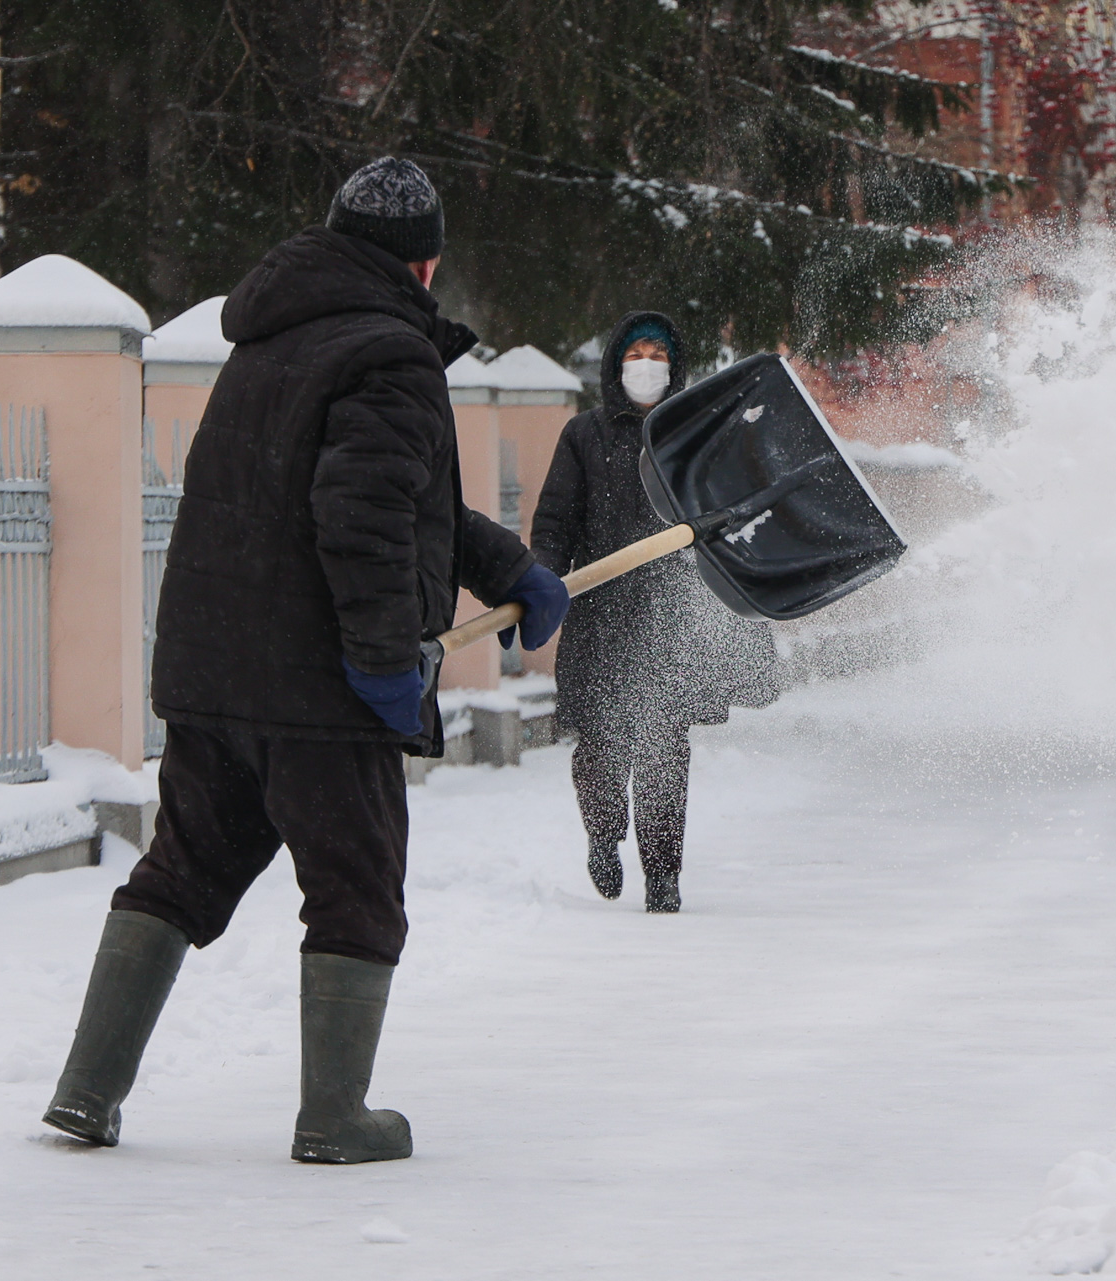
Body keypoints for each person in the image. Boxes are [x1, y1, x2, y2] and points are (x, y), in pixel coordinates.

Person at [40, 157, 570, 1164]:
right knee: (356, 890)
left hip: (214, 677)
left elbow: (385, 496)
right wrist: (378, 662)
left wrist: (507, 566)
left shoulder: (271, 343)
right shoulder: (393, 356)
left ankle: (85, 1089)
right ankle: (334, 1116)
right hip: (320, 692)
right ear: (425, 266)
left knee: (181, 872)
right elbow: (363, 516)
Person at [530, 313, 778, 913]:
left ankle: (663, 876)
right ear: (617, 364)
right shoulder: (582, 435)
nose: (647, 364)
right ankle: (602, 832)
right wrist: (541, 577)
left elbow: (727, 514)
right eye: (636, 353)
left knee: (664, 745)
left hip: (669, 618)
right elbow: (556, 519)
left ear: (674, 367)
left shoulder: (689, 434)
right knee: (600, 742)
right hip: (598, 612)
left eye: (658, 354)